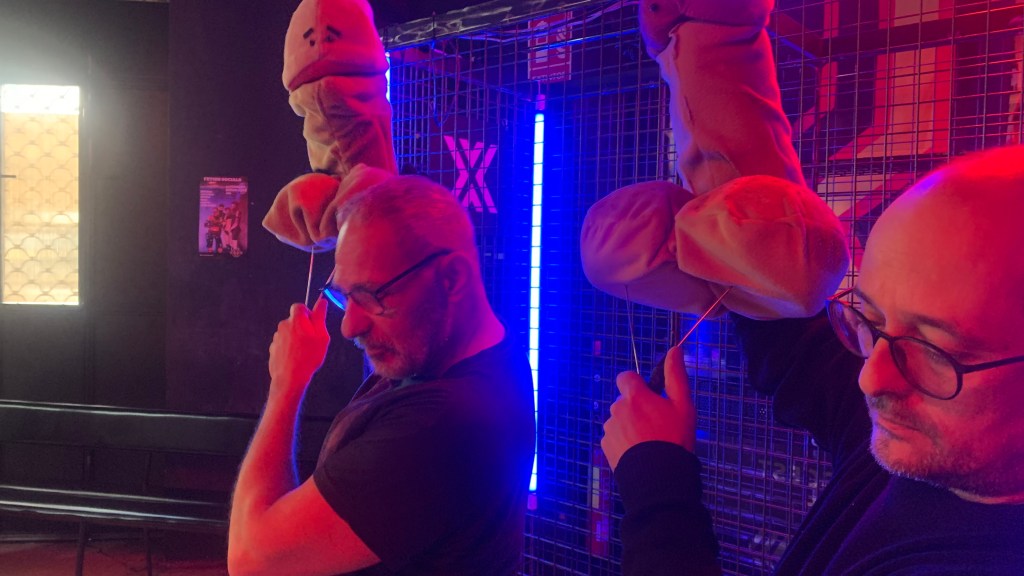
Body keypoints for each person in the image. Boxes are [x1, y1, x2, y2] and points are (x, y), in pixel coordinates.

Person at [598, 1, 1024, 574]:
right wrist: (706, 38)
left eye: (931, 348)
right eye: (869, 321)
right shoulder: (946, 444)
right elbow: (795, 343)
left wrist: (658, 488)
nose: (871, 376)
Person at [228, 172, 536, 576]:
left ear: (452, 279)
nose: (348, 326)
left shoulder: (439, 424)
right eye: (344, 296)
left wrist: (286, 383)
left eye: (372, 296)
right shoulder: (480, 352)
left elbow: (251, 559)